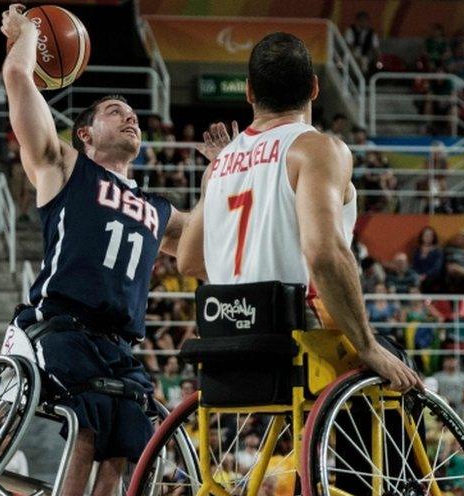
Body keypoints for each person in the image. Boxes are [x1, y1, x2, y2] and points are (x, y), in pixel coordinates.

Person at [0, 3, 192, 496]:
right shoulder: (62, 166)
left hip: (117, 343)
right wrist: (27, 35)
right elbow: (17, 79)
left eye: (134, 114)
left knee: (135, 424)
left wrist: (224, 172)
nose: (130, 118)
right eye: (115, 111)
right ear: (85, 134)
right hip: (54, 323)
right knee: (94, 405)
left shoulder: (158, 210)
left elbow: (211, 241)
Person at [175, 32, 420, 394]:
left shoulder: (220, 164)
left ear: (249, 92)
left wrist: (213, 179)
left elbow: (188, 261)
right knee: (397, 362)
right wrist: (367, 346)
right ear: (315, 87)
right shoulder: (316, 149)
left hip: (227, 339)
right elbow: (324, 253)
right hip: (296, 334)